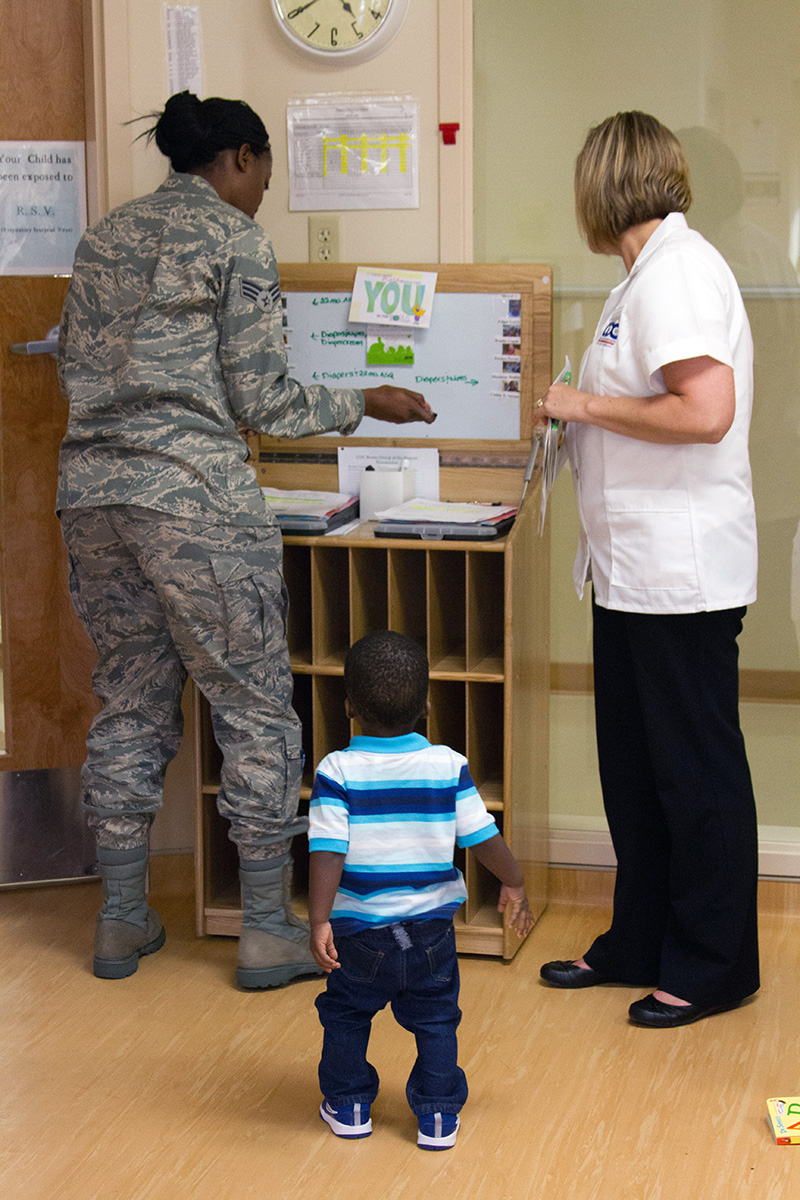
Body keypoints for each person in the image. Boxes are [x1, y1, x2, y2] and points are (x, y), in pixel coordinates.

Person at [56, 92, 435, 989]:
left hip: (92, 498)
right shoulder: (234, 238)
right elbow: (265, 401)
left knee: (130, 699)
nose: (263, 189)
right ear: (239, 158)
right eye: (262, 171)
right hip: (194, 503)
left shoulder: (104, 237)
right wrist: (365, 403)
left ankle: (119, 918)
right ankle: (266, 924)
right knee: (257, 706)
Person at [537, 112, 760, 1028]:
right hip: (631, 572)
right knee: (634, 770)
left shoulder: (679, 274)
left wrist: (581, 404)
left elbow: (705, 411)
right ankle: (641, 937)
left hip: (680, 575)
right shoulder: (645, 276)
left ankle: (713, 965)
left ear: (602, 186)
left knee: (693, 776)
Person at [307, 630, 533, 1149]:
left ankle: (348, 1106)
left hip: (358, 934)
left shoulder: (336, 771)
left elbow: (327, 850)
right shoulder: (447, 765)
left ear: (347, 708)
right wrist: (514, 881)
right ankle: (436, 1116)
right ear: (427, 705)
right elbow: (483, 838)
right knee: (435, 1018)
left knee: (345, 1014)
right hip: (431, 934)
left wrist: (319, 919)